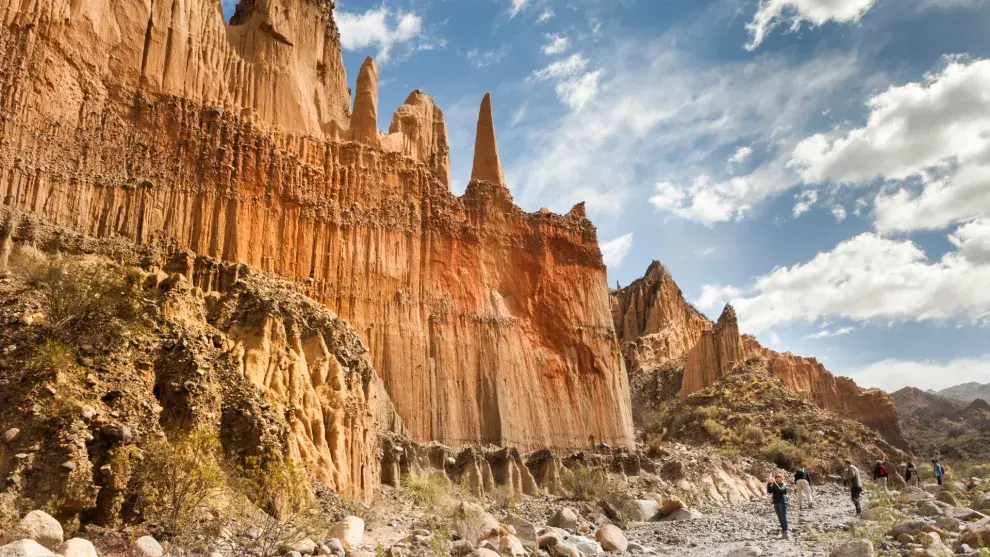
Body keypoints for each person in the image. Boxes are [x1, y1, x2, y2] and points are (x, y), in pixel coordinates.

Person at [767, 472, 789, 539]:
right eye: (776, 476)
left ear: (782, 478)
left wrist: (775, 483)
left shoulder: (784, 484)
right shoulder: (774, 484)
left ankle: (786, 532)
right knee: (780, 518)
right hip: (776, 502)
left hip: (782, 502)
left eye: (778, 476)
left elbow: (781, 490)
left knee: (783, 517)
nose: (776, 477)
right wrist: (769, 483)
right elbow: (769, 491)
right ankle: (783, 532)